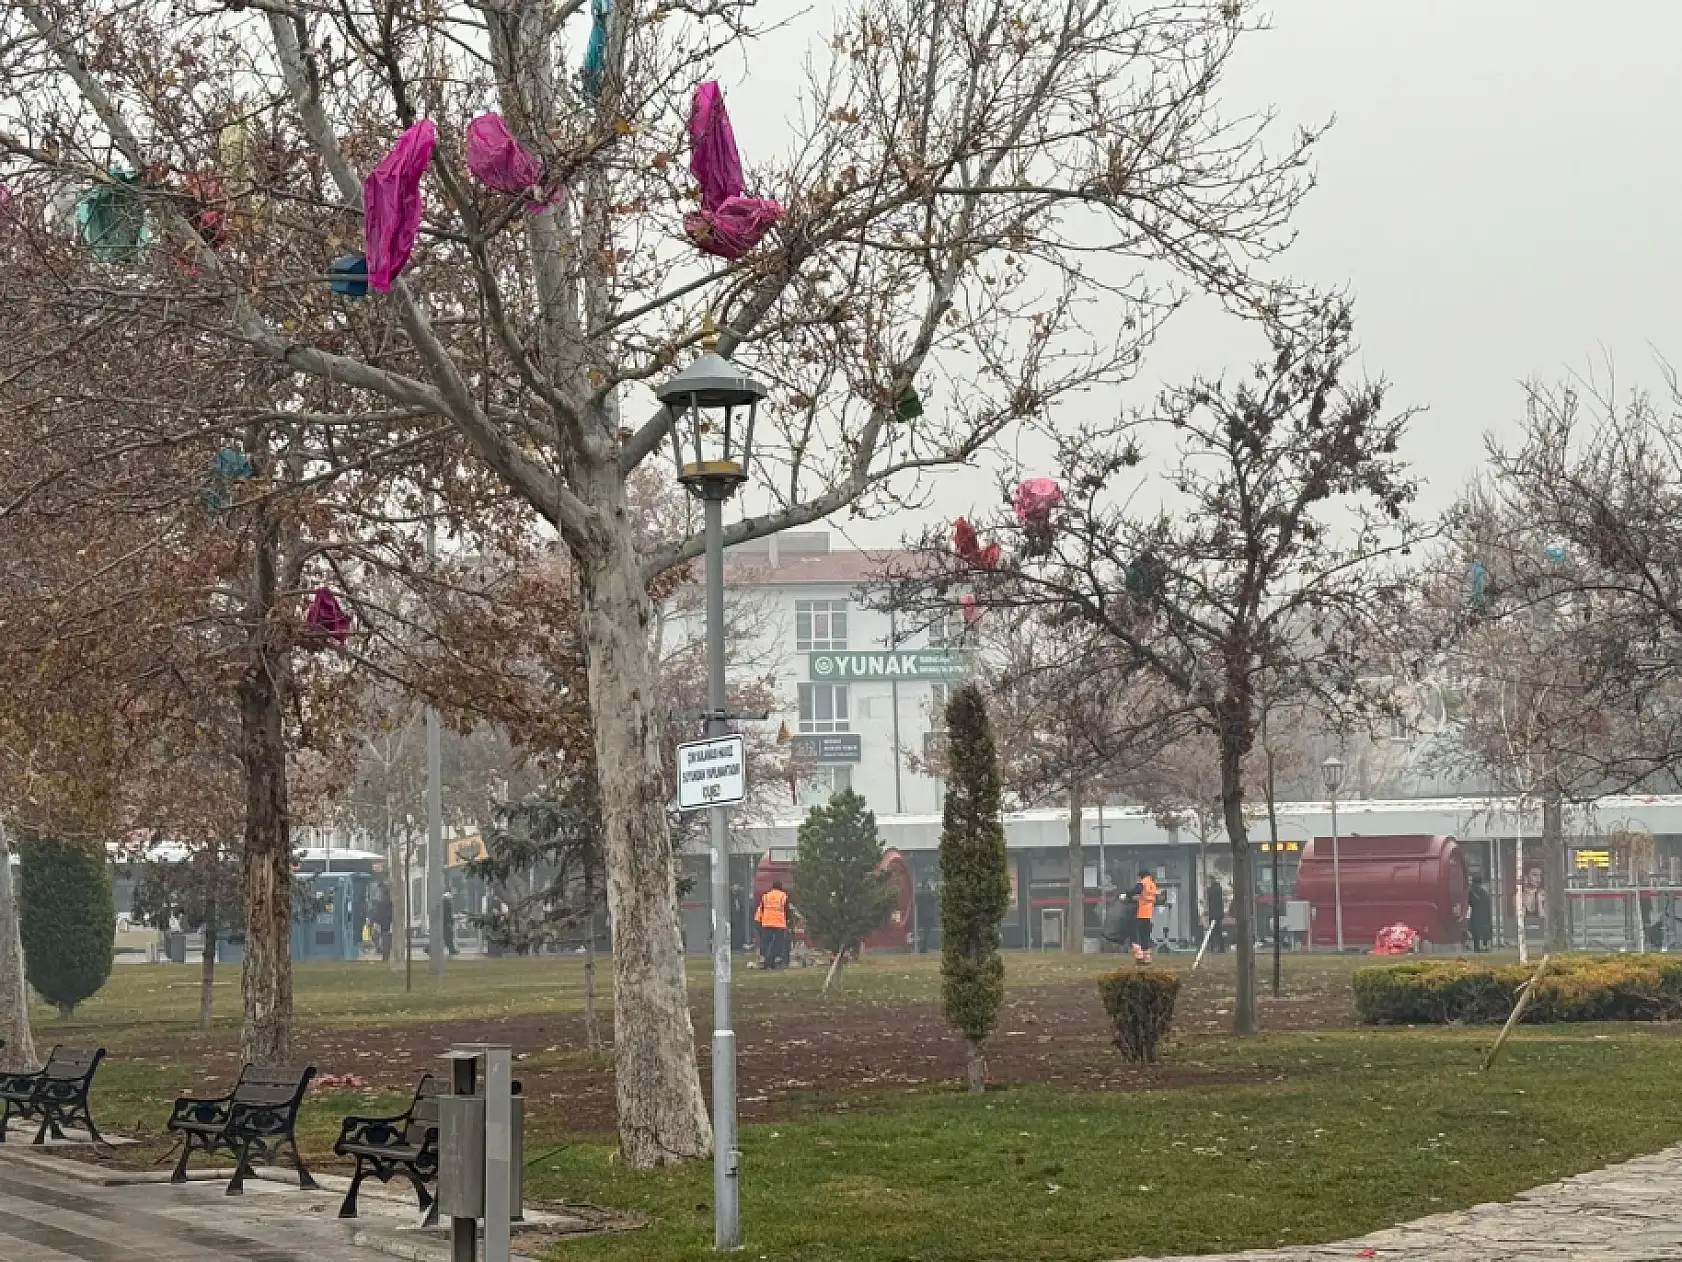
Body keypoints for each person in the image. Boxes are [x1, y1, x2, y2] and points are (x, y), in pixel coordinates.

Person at [755, 880, 792, 969]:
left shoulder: (766, 896)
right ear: (780, 887)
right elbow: (786, 910)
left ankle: (764, 958)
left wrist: (758, 921)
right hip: (779, 923)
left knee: (766, 942)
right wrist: (788, 920)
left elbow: (761, 909)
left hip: (766, 922)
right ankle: (775, 959)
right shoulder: (783, 896)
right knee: (778, 943)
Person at [1126, 868, 1158, 964]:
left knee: (1134, 934)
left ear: (1141, 876)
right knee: (1145, 936)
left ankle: (1139, 955)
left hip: (1139, 913)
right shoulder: (1152, 884)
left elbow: (1135, 891)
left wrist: (1127, 894)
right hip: (1148, 914)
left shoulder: (1142, 883)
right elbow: (1152, 897)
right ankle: (1147, 957)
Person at [1468, 875, 1493, 953]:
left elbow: (1469, 903)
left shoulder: (1471, 892)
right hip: (1481, 915)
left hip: (1477, 914)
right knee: (1479, 931)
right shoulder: (1484, 893)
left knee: (1478, 930)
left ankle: (1480, 947)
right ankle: (1481, 947)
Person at [371, 886, 394, 962]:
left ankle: (385, 957)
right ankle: (385, 956)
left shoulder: (382, 904)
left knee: (384, 941)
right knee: (386, 942)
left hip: (384, 925)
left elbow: (379, 915)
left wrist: (375, 921)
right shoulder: (390, 903)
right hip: (386, 925)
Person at [1205, 876, 1226, 954]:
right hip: (1215, 913)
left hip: (1215, 914)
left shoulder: (1215, 889)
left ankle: (1217, 947)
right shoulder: (1215, 889)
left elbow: (1214, 901)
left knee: (1215, 931)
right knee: (1215, 931)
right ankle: (1215, 947)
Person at [440, 889, 459, 956]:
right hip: (446, 923)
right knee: (448, 937)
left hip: (444, 923)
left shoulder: (444, 902)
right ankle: (452, 949)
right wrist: (450, 922)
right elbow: (448, 914)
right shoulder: (447, 903)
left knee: (443, 937)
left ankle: (429, 948)